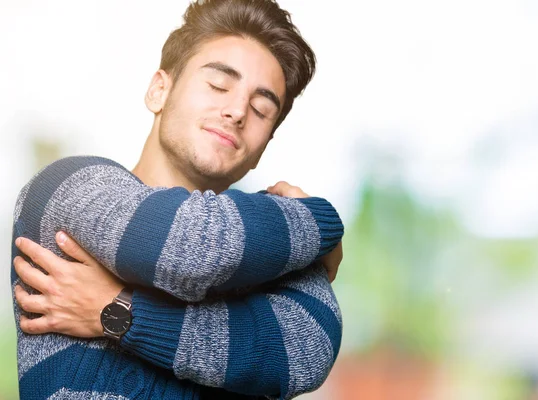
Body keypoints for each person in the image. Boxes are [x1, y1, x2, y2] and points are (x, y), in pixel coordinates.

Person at [10, 1, 344, 399]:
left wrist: (119, 313)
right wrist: (322, 222)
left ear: (263, 147)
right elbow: (187, 249)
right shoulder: (67, 188)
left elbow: (306, 351)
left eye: (260, 109)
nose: (237, 111)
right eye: (219, 85)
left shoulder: (266, 243)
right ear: (159, 90)